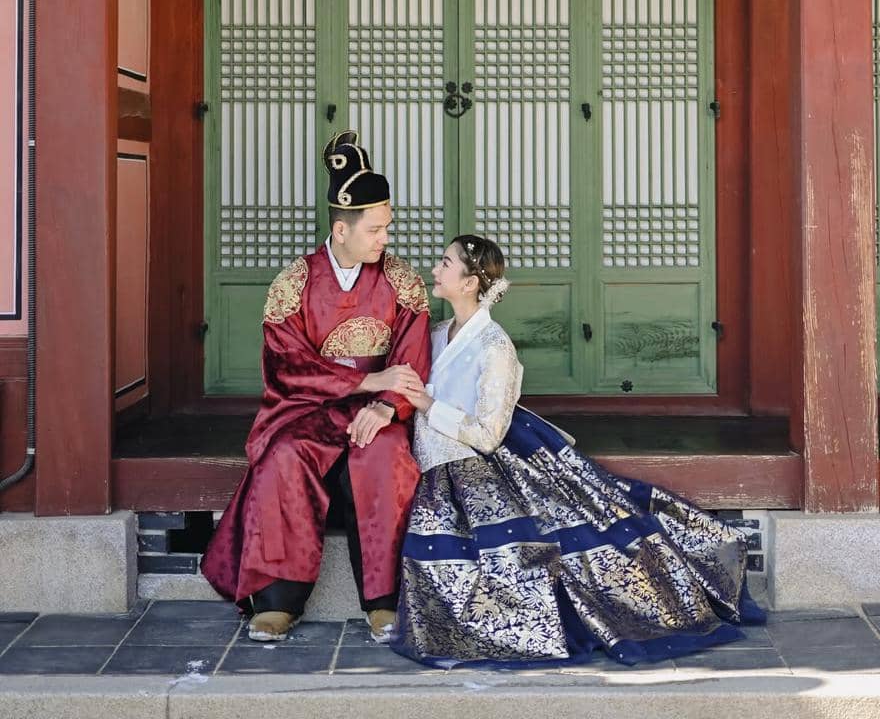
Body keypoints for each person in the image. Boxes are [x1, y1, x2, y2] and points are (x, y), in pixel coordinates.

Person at [390, 234, 764, 668]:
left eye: (445, 262)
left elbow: (489, 434)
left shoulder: (494, 346)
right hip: (440, 457)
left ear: (471, 282)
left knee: (553, 541)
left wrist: (429, 405)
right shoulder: (436, 334)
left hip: (479, 458)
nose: (435, 269)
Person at [201, 130, 431, 644]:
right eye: (375, 230)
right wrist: (365, 378)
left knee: (384, 456)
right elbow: (287, 367)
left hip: (376, 409)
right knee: (285, 456)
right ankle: (277, 601)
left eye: (387, 228)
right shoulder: (294, 284)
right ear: (341, 229)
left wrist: (386, 405)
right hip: (307, 410)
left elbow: (412, 360)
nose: (384, 239)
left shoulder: (403, 283)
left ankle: (384, 600)